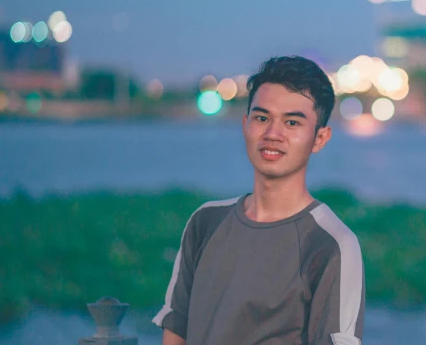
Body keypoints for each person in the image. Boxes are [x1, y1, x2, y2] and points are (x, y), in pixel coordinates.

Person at [153, 56, 365, 345]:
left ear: (320, 138)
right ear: (245, 124)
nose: (272, 134)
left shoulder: (331, 244)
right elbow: (176, 331)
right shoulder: (205, 222)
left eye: (292, 122)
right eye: (262, 118)